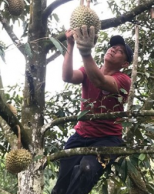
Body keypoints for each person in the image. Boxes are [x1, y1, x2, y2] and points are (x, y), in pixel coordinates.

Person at [51, 25, 133, 194]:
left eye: (120, 51)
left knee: (87, 169)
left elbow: (100, 81)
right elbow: (67, 76)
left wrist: (85, 50)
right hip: (81, 135)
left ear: (125, 63)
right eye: (112, 47)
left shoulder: (124, 80)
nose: (113, 50)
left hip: (107, 139)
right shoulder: (88, 71)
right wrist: (71, 45)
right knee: (60, 186)